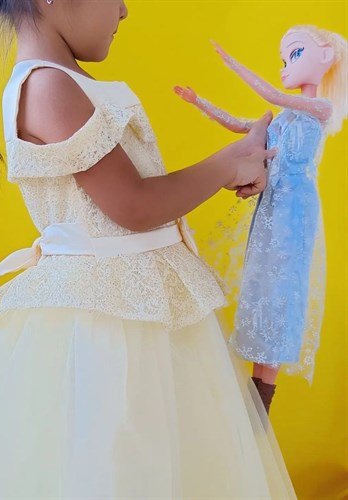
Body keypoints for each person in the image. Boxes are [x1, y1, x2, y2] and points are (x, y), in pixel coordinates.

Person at [0, 0, 297, 498]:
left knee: (162, 461)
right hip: (107, 324)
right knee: (113, 461)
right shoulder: (48, 86)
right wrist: (227, 165)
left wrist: (240, 156)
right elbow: (133, 206)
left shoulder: (62, 82)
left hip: (137, 304)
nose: (123, 11)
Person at [174, 25, 347, 414]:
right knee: (263, 287)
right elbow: (240, 124)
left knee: (283, 290)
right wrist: (199, 102)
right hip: (271, 205)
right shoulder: (283, 119)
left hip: (295, 210)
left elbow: (272, 94)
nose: (286, 66)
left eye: (295, 54)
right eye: (283, 59)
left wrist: (233, 65)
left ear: (325, 56)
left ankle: (261, 400)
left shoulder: (320, 109)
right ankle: (257, 396)